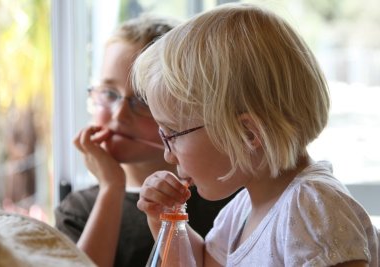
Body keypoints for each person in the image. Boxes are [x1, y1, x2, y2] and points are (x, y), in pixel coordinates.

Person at [132, 3, 380, 267]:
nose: (168, 154)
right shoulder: (243, 208)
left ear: (246, 134)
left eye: (173, 133)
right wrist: (165, 221)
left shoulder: (311, 207)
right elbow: (203, 264)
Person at [54, 16, 236, 267]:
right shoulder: (78, 209)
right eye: (109, 93)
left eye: (142, 100)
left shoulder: (225, 197)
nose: (119, 114)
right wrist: (111, 187)